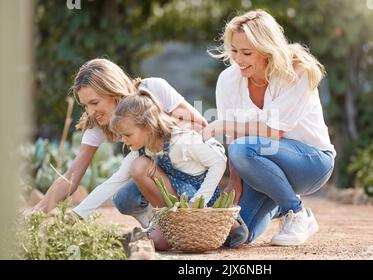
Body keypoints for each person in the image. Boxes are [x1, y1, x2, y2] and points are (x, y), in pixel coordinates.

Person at [203, 9, 336, 246]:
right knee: (234, 235)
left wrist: (223, 124)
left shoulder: (297, 72)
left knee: (244, 149)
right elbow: (234, 137)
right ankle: (277, 199)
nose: (238, 60)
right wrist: (235, 181)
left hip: (312, 163)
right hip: (262, 166)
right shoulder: (227, 80)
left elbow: (274, 132)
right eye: (234, 51)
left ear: (266, 51)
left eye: (246, 53)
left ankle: (296, 213)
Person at [34, 58, 207, 226]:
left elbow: (201, 126)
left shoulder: (152, 88)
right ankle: (168, 225)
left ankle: (187, 221)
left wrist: (156, 128)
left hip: (192, 176)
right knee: (124, 198)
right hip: (160, 179)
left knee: (140, 167)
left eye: (94, 102)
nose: (91, 112)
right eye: (85, 105)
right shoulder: (97, 124)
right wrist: (38, 212)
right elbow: (72, 175)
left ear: (114, 92)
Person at [77, 89, 227, 250]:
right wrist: (78, 215)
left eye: (127, 135)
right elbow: (114, 181)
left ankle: (231, 227)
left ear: (148, 127)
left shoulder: (183, 141)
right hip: (177, 202)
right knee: (159, 243)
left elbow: (218, 162)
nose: (124, 141)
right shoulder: (141, 150)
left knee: (230, 235)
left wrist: (198, 202)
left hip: (198, 201)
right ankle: (167, 223)